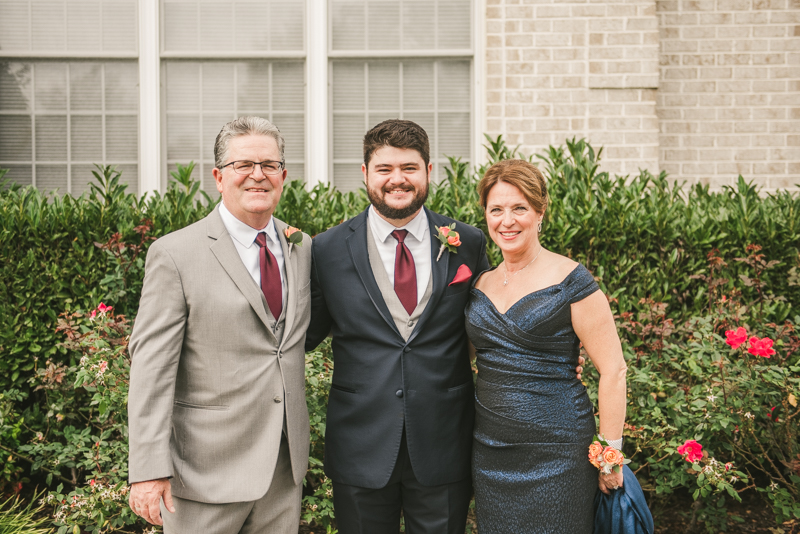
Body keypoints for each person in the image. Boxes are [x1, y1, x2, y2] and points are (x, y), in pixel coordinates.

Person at [127, 116, 312, 534]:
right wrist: (148, 469)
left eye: (269, 165)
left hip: (283, 472)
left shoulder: (302, 246)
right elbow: (151, 370)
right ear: (218, 176)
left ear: (283, 175)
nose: (257, 175)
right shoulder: (175, 254)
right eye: (243, 165)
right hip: (203, 475)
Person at [305, 119, 490, 533]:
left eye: (409, 167)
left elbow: (491, 325)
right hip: (360, 444)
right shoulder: (327, 249)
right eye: (385, 168)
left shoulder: (468, 242)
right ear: (365, 174)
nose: (397, 179)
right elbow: (303, 335)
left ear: (428, 171)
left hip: (444, 442)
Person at [465, 159, 628, 533]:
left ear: (540, 212)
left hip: (559, 450)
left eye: (519, 208)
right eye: (497, 210)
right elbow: (464, 356)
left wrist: (610, 455)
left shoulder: (571, 280)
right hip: (490, 449)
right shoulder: (480, 284)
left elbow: (614, 370)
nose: (507, 221)